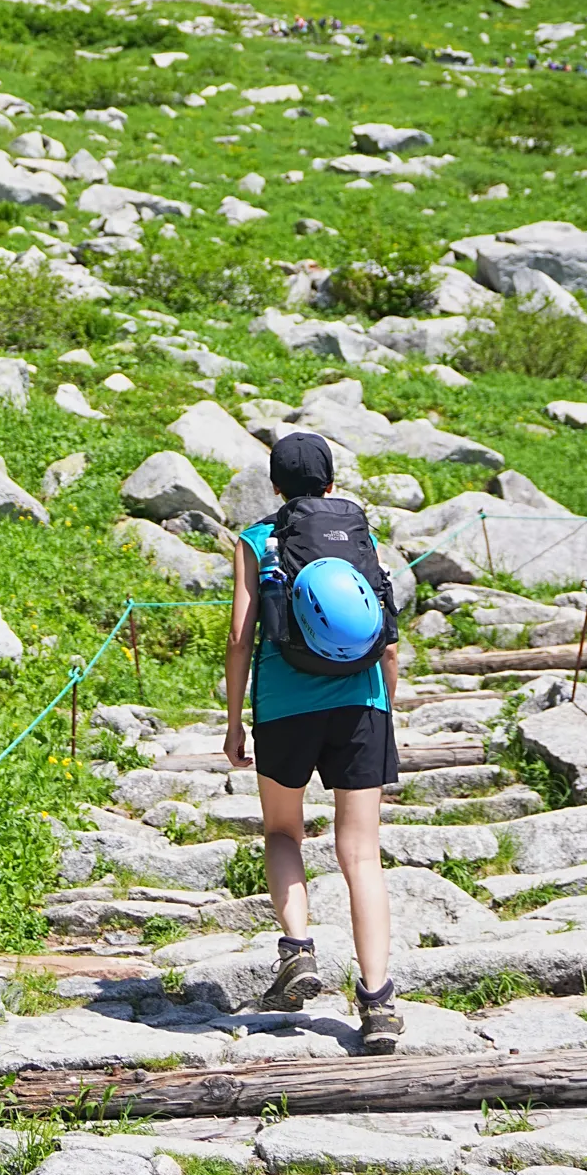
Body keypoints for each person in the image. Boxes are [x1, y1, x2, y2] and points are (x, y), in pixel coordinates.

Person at [223, 429, 403, 1052]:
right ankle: (378, 1003)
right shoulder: (357, 533)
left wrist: (232, 720)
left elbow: (241, 638)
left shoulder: (256, 539)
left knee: (281, 832)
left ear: (274, 487)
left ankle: (298, 948)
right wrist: (387, 703)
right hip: (361, 702)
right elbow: (386, 628)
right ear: (330, 484)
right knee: (362, 854)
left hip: (284, 706)